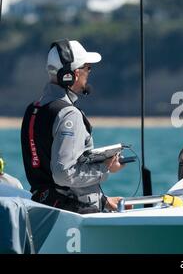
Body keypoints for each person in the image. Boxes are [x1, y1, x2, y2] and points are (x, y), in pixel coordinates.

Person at [20, 39, 125, 214]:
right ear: (74, 74)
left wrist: (103, 200)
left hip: (43, 208)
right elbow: (63, 174)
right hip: (72, 214)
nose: (89, 73)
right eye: (87, 68)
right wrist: (105, 168)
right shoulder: (69, 114)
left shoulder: (33, 109)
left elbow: (45, 171)